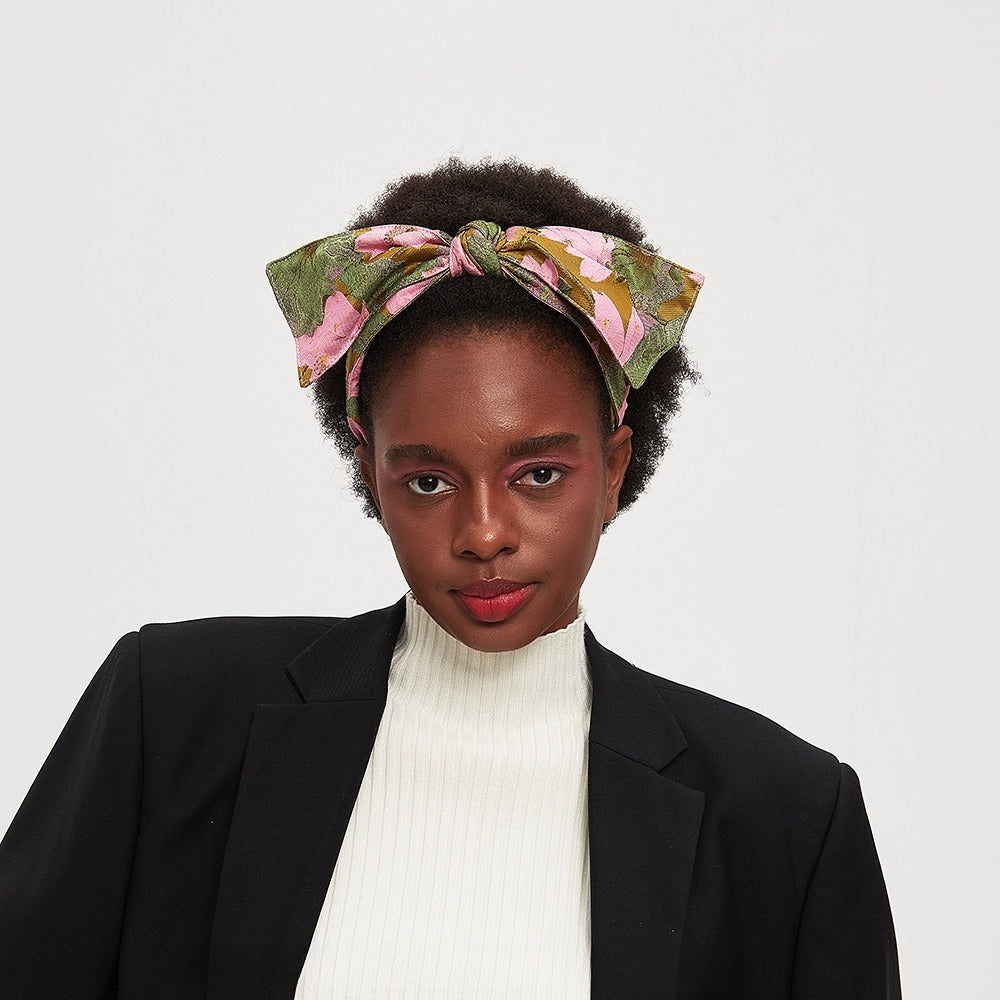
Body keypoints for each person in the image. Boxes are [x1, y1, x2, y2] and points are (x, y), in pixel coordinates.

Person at [0, 158, 902, 999]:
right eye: (428, 481)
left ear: (615, 468)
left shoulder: (784, 820)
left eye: (538, 474)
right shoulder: (171, 714)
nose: (483, 535)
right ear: (370, 473)